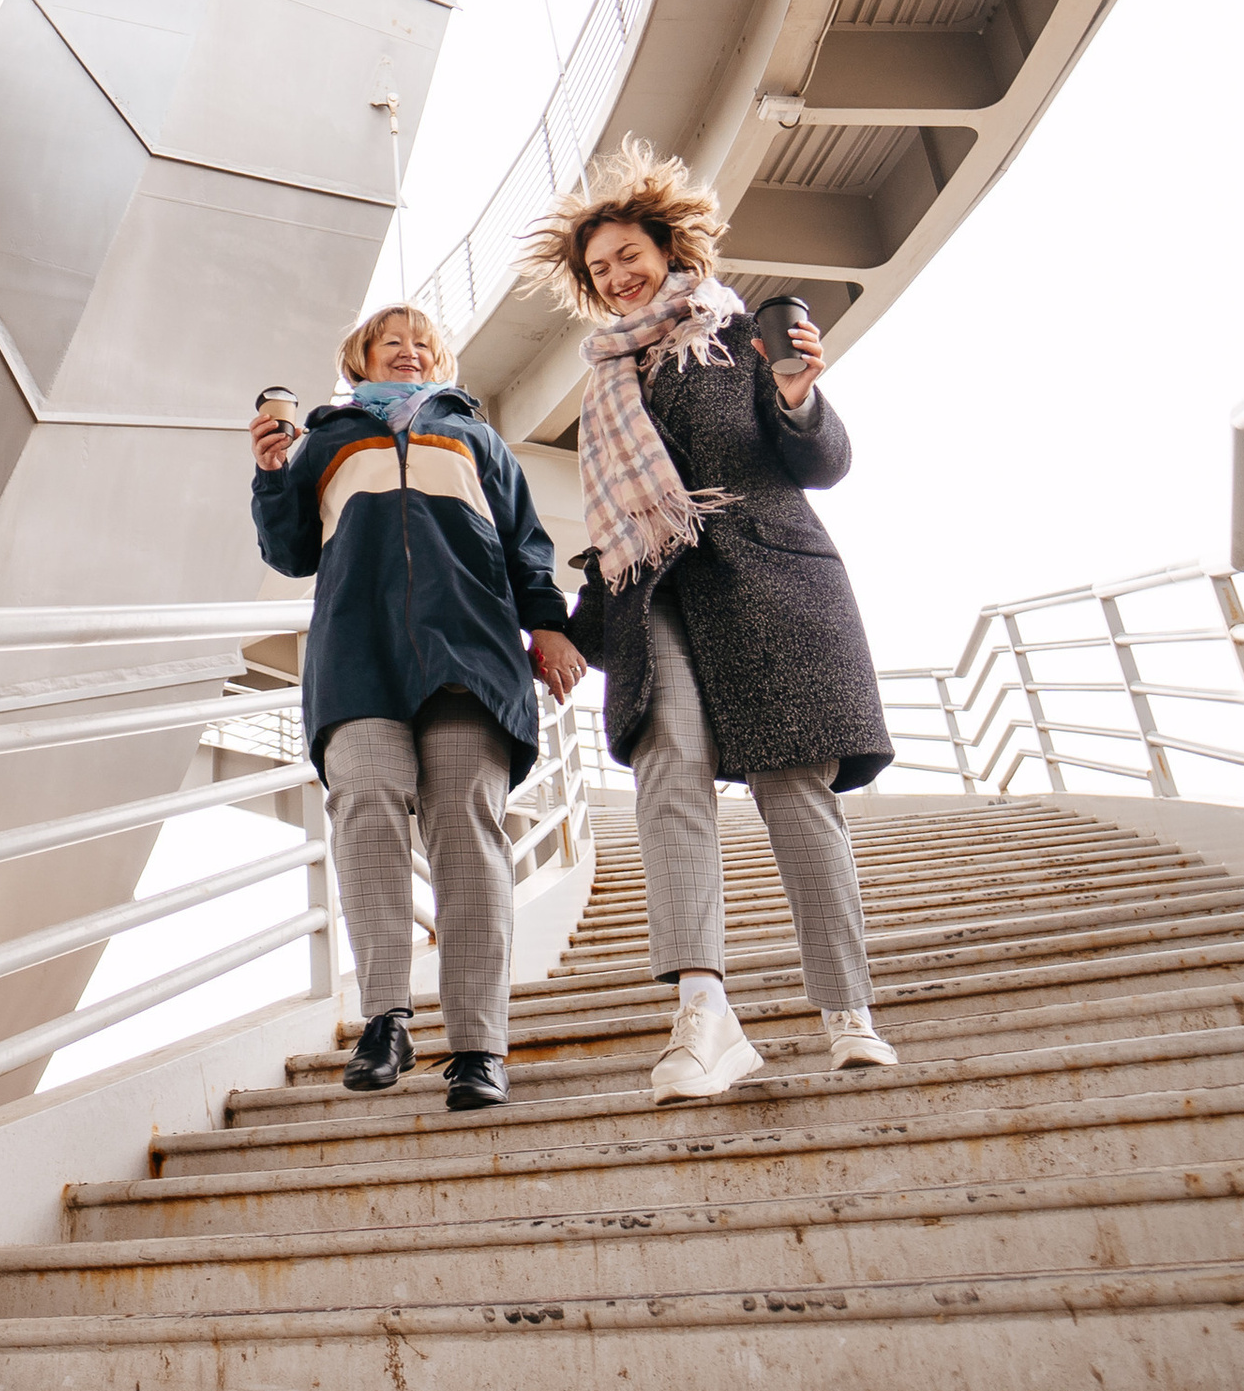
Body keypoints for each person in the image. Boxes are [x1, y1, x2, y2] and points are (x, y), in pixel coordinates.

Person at [530, 141, 898, 1104]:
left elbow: (820, 462)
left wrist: (797, 394)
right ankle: (704, 1013)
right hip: (657, 600)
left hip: (772, 583)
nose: (616, 277)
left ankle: (847, 1011)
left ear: (667, 247)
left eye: (627, 256)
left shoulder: (734, 336)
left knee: (795, 789)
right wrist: (571, 625)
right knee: (670, 775)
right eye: (599, 268)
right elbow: (621, 525)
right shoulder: (606, 380)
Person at [251, 302, 586, 1111]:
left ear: (441, 365)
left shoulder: (477, 437)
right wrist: (270, 476)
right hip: (357, 654)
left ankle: (477, 1046)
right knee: (364, 801)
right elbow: (291, 551)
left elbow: (526, 546)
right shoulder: (327, 438)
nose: (410, 352)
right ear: (360, 360)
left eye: (423, 345)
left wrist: (548, 627)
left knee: (467, 827)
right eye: (391, 342)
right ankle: (386, 1018)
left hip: (468, 651)